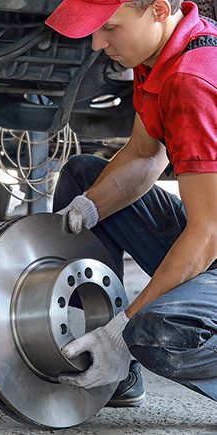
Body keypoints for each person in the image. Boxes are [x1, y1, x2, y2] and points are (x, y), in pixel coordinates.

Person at [45, 0, 217, 406]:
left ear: (157, 9)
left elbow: (209, 234)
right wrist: (90, 208)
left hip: (213, 234)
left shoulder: (192, 80)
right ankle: (108, 364)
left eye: (109, 28)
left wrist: (124, 329)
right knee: (83, 180)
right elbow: (144, 155)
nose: (96, 43)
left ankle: (119, 347)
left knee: (154, 333)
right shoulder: (162, 52)